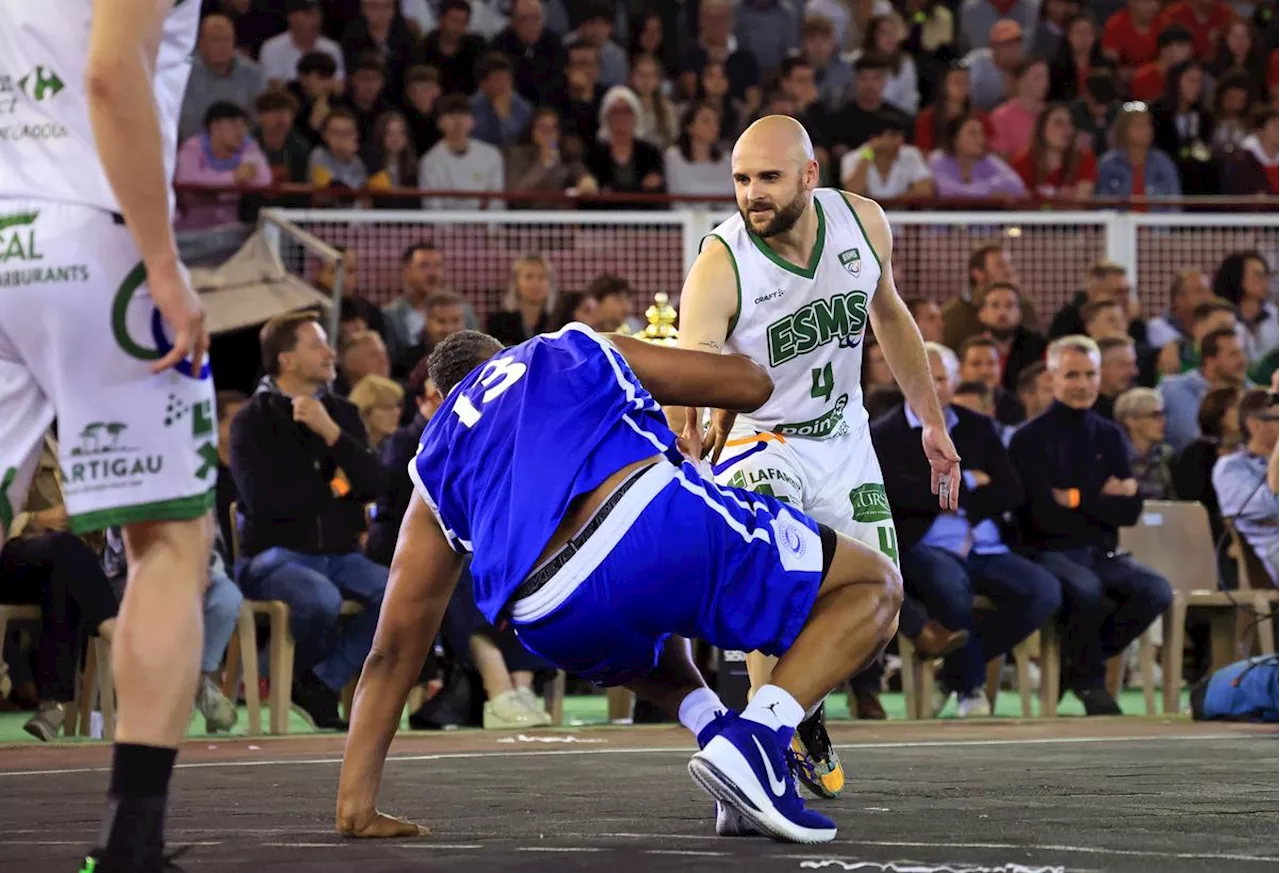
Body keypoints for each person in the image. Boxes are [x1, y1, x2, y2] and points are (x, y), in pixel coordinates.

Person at [334, 325, 905, 844]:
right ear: (502, 357)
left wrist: (356, 806)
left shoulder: (431, 463)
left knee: (638, 629)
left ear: (441, 398)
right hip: (647, 527)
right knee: (872, 587)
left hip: (550, 615)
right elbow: (750, 384)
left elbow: (392, 651)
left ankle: (715, 730)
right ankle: (760, 738)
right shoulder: (561, 348)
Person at [671, 115, 960, 799]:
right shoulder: (722, 260)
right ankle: (767, 749)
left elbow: (889, 315)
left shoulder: (862, 224)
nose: (751, 194)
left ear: (809, 176)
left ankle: (799, 713)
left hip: (842, 438)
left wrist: (931, 422)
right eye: (741, 179)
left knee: (879, 609)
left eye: (767, 178)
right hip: (756, 438)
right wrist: (691, 425)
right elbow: (690, 362)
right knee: (777, 587)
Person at [0, 3, 216, 871]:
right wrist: (164, 267)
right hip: (94, 231)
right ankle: (130, 846)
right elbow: (106, 71)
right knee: (168, 537)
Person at [1008, 336, 1173, 715]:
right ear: (1052, 377)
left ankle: (1078, 665)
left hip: (1102, 551)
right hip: (1046, 551)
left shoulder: (1110, 434)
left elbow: (1129, 511)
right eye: (1072, 375)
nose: (1083, 384)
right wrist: (1100, 497)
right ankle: (1090, 682)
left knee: (1155, 590)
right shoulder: (1028, 439)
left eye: (1090, 374)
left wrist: (1076, 498)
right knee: (1087, 588)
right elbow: (1043, 516)